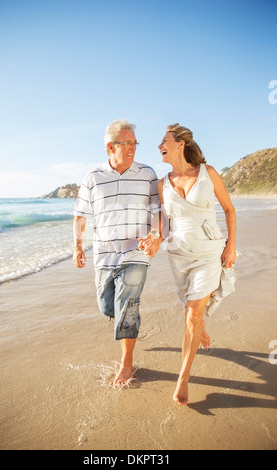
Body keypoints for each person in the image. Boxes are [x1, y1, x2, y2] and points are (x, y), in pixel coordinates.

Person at [139, 123, 236, 405]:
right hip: (179, 253)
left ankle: (183, 376)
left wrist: (231, 245)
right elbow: (161, 222)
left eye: (164, 140)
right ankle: (199, 325)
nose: (159, 145)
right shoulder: (162, 183)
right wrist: (155, 237)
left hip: (208, 251)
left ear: (181, 144)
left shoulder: (209, 174)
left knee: (192, 315)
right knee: (191, 309)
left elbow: (229, 209)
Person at [73, 119, 162, 388]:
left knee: (128, 303)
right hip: (103, 253)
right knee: (107, 306)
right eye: (127, 143)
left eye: (135, 142)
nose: (133, 147)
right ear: (110, 146)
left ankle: (126, 362)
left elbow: (158, 210)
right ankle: (125, 324)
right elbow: (81, 214)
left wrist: (156, 235)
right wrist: (78, 245)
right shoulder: (93, 178)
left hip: (137, 251)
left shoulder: (147, 173)